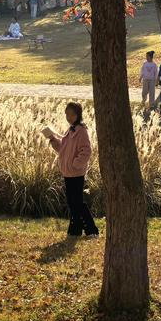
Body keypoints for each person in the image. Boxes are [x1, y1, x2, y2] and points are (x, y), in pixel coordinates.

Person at [43, 102, 98, 238]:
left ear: (78, 115)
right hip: (68, 172)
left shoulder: (81, 130)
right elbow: (63, 149)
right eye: (67, 114)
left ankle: (91, 230)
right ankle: (75, 230)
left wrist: (75, 163)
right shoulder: (70, 130)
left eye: (72, 114)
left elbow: (86, 151)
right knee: (72, 202)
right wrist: (53, 139)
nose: (69, 117)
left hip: (76, 172)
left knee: (77, 201)